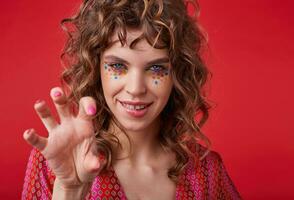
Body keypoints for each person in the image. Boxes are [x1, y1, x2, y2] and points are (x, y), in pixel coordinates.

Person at [22, 0, 241, 199]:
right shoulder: (55, 162)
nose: (136, 89)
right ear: (96, 69)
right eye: (118, 66)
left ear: (177, 74)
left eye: (156, 68)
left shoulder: (206, 172)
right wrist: (68, 192)